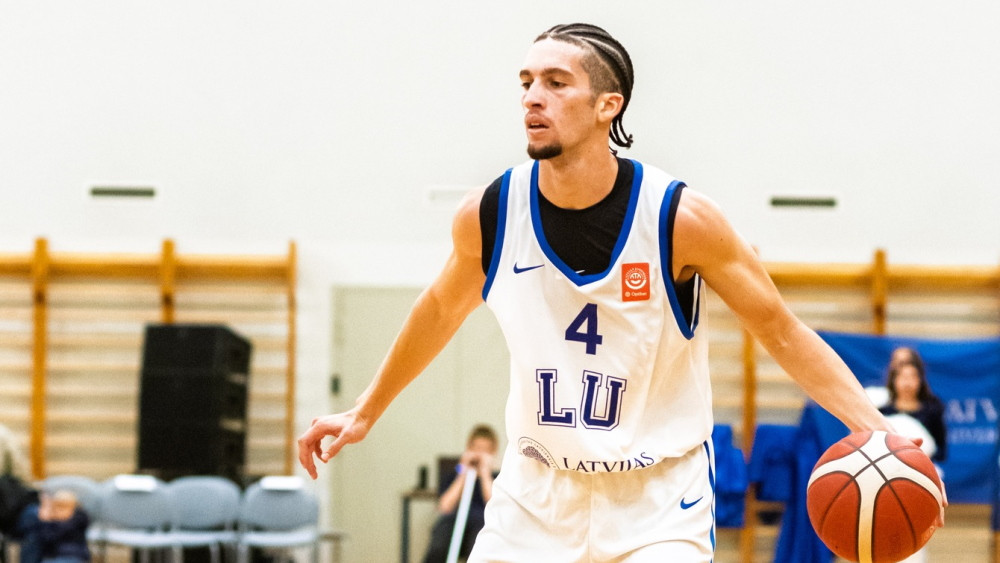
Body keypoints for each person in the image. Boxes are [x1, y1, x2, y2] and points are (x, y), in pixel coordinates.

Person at [298, 23, 941, 561]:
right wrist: (365, 410)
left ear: (609, 105)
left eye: (556, 83)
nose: (533, 97)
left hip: (657, 500)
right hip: (535, 493)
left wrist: (880, 432)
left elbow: (782, 331)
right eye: (526, 82)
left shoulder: (681, 219)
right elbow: (439, 309)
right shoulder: (490, 214)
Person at [421, 425, 499, 563]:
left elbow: (496, 506)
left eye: (484, 450)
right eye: (476, 448)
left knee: (478, 547)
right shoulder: (454, 476)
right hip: (453, 521)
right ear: (468, 448)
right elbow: (445, 507)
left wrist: (485, 474)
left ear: (493, 452)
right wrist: (463, 475)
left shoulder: (497, 479)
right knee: (438, 546)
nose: (479, 454)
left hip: (482, 523)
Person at [880, 348, 947, 465]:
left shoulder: (932, 411)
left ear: (920, 380)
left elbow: (941, 451)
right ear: (894, 380)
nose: (907, 383)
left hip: (922, 469)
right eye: (903, 377)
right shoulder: (883, 412)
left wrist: (924, 455)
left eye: (912, 377)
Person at [15, 490, 90, 563]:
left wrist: (45, 520)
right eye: (56, 507)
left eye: (63, 507)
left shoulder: (76, 520)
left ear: (73, 508)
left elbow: (49, 536)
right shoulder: (53, 521)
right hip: (53, 556)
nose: (58, 511)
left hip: (69, 555)